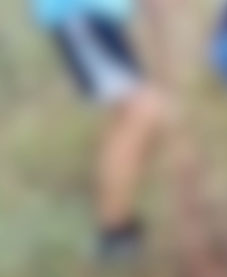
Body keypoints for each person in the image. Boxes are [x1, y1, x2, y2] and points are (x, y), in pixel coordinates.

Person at [31, 0, 164, 261]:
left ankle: (116, 224)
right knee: (144, 113)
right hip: (82, 15)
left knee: (126, 118)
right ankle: (114, 231)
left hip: (95, 18)